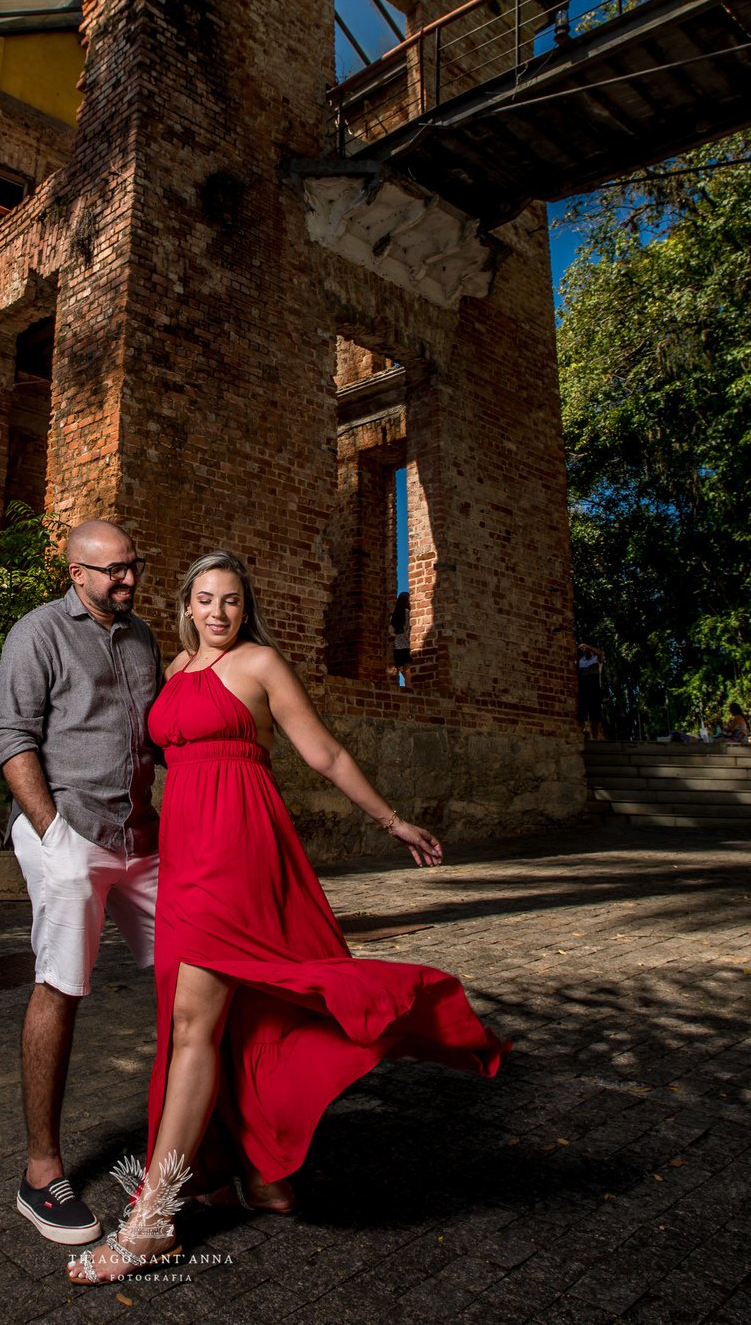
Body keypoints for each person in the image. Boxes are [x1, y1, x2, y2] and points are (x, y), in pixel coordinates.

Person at [67, 549, 508, 1286]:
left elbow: (325, 753)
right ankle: (258, 1171)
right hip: (182, 861)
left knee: (193, 1027)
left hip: (238, 855)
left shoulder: (262, 664)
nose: (217, 612)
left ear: (247, 607)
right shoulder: (172, 672)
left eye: (231, 600)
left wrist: (392, 819)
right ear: (186, 604)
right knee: (225, 1021)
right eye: (205, 599)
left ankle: (153, 1219)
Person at [0, 519, 163, 1247]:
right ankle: (40, 1172)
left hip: (141, 839)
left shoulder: (145, 636)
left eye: (134, 565)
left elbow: (157, 737)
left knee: (194, 975)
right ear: (77, 574)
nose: (128, 579)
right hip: (67, 832)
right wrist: (54, 835)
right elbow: (12, 737)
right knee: (61, 984)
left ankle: (196, 1138)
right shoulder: (36, 634)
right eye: (114, 570)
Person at [576, 642, 606, 741]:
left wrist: (589, 646)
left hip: (594, 689)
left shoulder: (596, 660)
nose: (586, 652)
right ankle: (580, 736)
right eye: (585, 651)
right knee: (582, 714)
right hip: (584, 689)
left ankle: (595, 738)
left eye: (588, 651)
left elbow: (600, 654)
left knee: (595, 716)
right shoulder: (580, 662)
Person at [391, 590, 412, 686]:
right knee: (409, 675)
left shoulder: (393, 616)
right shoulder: (407, 613)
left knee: (406, 676)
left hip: (397, 649)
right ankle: (410, 694)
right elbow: (409, 629)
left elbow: (391, 632)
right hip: (406, 647)